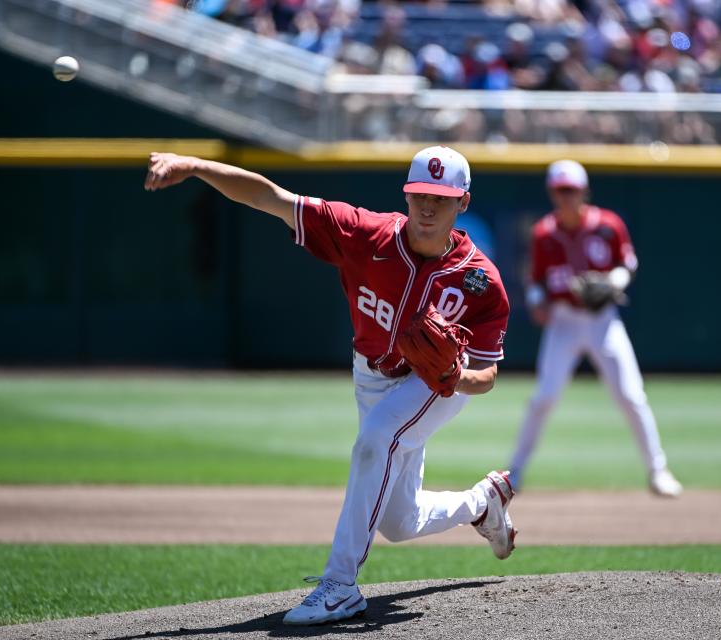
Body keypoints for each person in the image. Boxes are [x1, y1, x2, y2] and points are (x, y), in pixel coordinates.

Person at [144, 146, 515, 625]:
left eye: (440, 199)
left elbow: (486, 376)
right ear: (406, 194)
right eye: (420, 194)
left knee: (374, 440)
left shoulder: (481, 282)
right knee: (398, 522)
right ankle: (483, 502)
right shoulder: (364, 233)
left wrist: (454, 377)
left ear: (462, 202)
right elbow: (269, 198)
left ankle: (340, 585)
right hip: (371, 374)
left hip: (434, 386)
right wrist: (194, 166)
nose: (427, 207)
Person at [509, 159, 683, 498]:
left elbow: (627, 264)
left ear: (584, 191)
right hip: (563, 321)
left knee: (632, 395)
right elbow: (535, 281)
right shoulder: (544, 232)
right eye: (560, 191)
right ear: (552, 193)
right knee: (544, 398)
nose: (566, 197)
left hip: (603, 321)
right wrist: (536, 301)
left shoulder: (608, 224)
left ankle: (657, 470)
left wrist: (611, 281)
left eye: (571, 190)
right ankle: (515, 471)